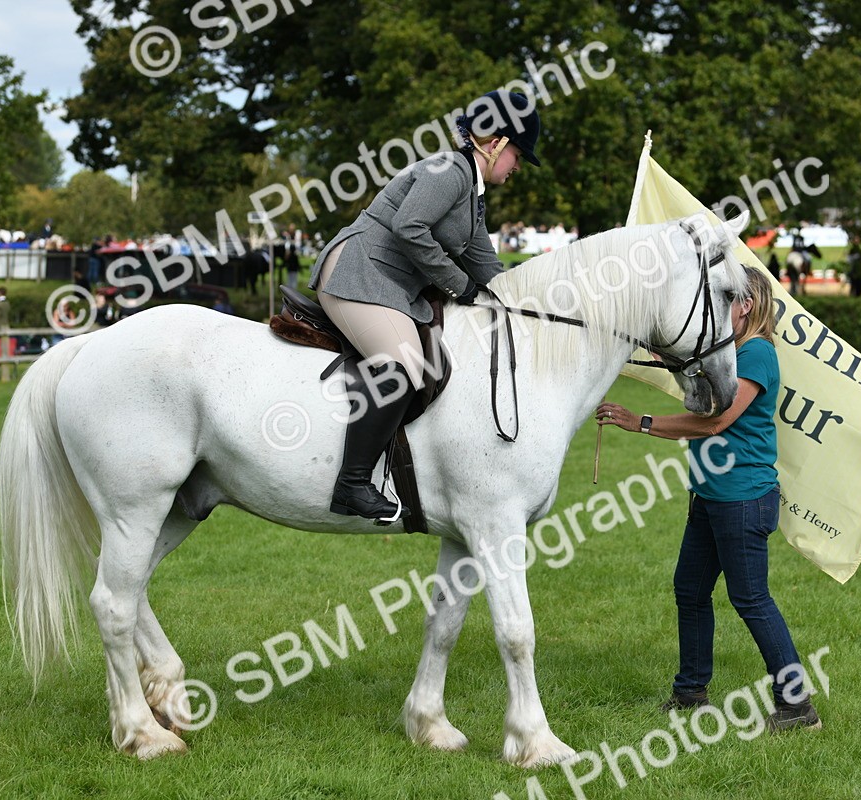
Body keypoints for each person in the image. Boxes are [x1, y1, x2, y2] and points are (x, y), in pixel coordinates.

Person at [596, 267, 821, 732]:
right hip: (710, 495)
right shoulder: (727, 353)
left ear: (747, 306)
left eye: (727, 301)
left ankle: (797, 705)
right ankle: (691, 692)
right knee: (691, 590)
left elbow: (714, 423)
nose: (719, 310)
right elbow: (694, 382)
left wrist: (640, 422)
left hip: (742, 499)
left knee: (751, 599)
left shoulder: (756, 353)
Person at [308, 89, 540, 522]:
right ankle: (351, 485)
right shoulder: (449, 171)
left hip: (383, 284)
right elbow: (409, 227)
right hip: (358, 274)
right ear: (497, 145)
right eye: (519, 157)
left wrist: (535, 298)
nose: (517, 169)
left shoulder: (471, 193)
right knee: (404, 366)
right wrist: (459, 287)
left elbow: (485, 263)